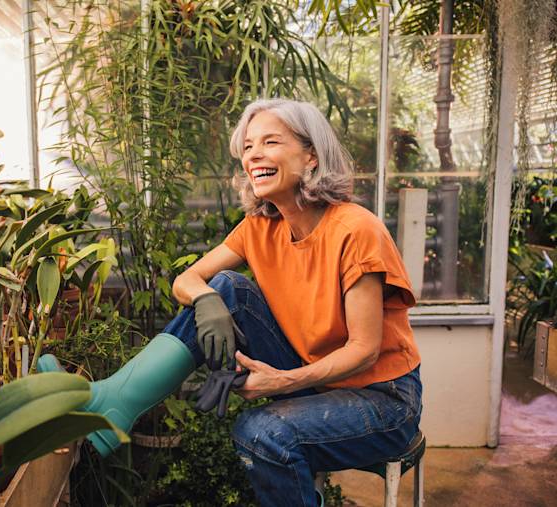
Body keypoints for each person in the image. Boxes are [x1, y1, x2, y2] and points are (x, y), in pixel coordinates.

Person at [39, 98, 422, 507]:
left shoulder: (356, 230)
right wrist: (206, 301)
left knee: (262, 431)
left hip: (382, 401)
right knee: (225, 288)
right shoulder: (260, 226)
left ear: (311, 155)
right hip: (317, 382)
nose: (253, 154)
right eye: (248, 145)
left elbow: (364, 352)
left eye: (270, 141)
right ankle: (117, 401)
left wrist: (282, 381)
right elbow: (187, 279)